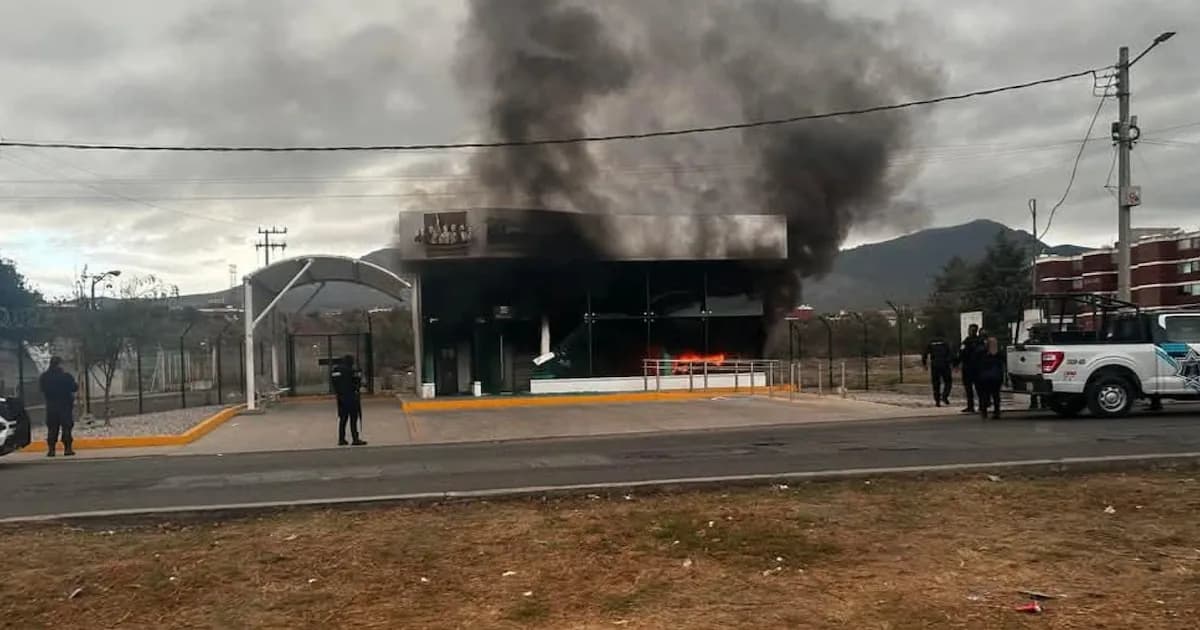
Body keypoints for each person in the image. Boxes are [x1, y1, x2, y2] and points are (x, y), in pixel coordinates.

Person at [38, 356, 78, 457]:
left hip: (51, 406)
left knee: (52, 428)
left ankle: (51, 450)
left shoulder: (44, 377)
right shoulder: (66, 376)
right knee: (67, 427)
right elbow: (74, 387)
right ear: (59, 364)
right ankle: (67, 449)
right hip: (65, 405)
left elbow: (42, 389)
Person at [330, 355, 367, 446]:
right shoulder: (351, 371)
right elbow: (357, 383)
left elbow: (334, 383)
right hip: (352, 397)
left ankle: (341, 439)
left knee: (343, 419)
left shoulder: (335, 371)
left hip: (341, 398)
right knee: (353, 418)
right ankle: (355, 438)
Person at [975, 336, 1005, 419]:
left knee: (984, 394)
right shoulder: (999, 354)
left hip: (985, 377)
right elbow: (1002, 365)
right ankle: (996, 412)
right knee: (996, 395)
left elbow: (978, 364)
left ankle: (984, 412)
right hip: (996, 377)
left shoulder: (982, 353)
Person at [956, 323, 984, 413]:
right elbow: (961, 353)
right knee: (970, 388)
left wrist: (956, 363)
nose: (971, 331)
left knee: (977, 388)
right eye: (970, 330)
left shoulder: (975, 341)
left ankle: (978, 406)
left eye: (972, 330)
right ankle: (972, 406)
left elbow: (961, 352)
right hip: (971, 367)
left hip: (974, 368)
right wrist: (957, 363)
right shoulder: (975, 341)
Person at [921, 332, 954, 407]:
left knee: (936, 383)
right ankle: (945, 395)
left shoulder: (931, 342)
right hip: (944, 364)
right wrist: (951, 362)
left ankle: (937, 401)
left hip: (935, 364)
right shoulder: (946, 342)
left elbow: (925, 353)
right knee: (948, 381)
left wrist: (924, 364)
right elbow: (951, 353)